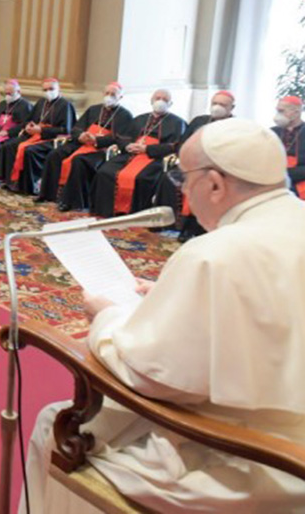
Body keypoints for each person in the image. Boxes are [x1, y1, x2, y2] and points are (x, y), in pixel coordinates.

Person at [26, 118, 305, 513]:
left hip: (249, 461)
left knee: (54, 424)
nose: (183, 191)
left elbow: (153, 377)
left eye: (184, 179)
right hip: (292, 440)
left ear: (214, 184)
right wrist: (169, 295)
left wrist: (107, 317)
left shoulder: (213, 255)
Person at [89, 89, 186, 217]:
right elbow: (122, 137)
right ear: (151, 101)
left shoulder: (178, 123)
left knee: (142, 178)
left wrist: (147, 149)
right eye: (157, 98)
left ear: (170, 104)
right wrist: (128, 145)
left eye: (164, 99)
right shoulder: (140, 118)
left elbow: (174, 146)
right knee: (105, 171)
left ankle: (135, 214)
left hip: (155, 157)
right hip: (131, 154)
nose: (160, 101)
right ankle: (105, 211)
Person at [153, 90, 236, 241]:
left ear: (232, 108)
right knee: (167, 179)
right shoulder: (199, 121)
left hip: (216, 168)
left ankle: (192, 228)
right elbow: (183, 144)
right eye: (215, 103)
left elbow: (233, 153)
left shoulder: (236, 127)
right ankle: (169, 223)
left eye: (222, 105)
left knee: (203, 185)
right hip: (193, 164)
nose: (217, 107)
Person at [41, 82, 134, 211]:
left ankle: (70, 201)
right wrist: (81, 135)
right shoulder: (93, 109)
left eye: (113, 94)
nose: (109, 96)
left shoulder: (125, 115)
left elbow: (120, 138)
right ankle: (48, 194)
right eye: (107, 93)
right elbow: (76, 128)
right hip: (81, 143)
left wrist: (97, 140)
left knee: (79, 161)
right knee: (54, 155)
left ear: (121, 97)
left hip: (101, 149)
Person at [0, 78, 75, 193]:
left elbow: (65, 129)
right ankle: (12, 181)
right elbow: (30, 119)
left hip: (51, 138)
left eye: (51, 89)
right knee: (9, 145)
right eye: (45, 90)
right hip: (35, 135)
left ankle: (29, 186)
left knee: (29, 151)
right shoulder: (41, 102)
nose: (48, 92)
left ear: (58, 89)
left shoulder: (66, 105)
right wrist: (28, 126)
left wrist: (41, 130)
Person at [273, 95, 304, 199]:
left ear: (296, 113)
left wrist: (287, 174)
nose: (278, 115)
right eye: (277, 111)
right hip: (276, 185)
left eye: (281, 111)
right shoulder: (272, 132)